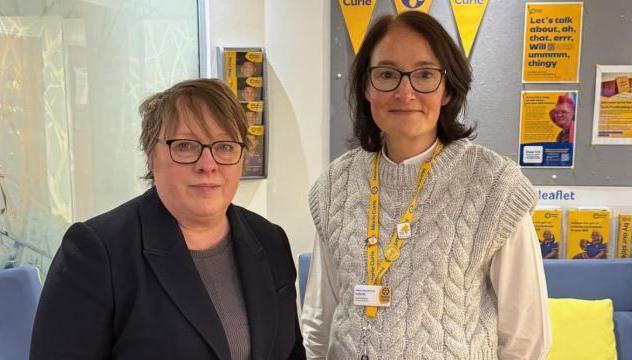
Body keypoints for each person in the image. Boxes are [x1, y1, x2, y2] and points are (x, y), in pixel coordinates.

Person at [301, 11, 551, 359]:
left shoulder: (495, 187)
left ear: (448, 88)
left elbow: (526, 338)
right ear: (367, 87)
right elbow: (319, 321)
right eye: (387, 74)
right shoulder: (334, 186)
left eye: (424, 75)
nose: (405, 92)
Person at [30, 79, 305, 360]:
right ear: (151, 155)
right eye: (185, 146)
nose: (208, 165)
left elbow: (291, 353)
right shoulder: (96, 253)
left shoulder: (270, 240)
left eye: (224, 147)